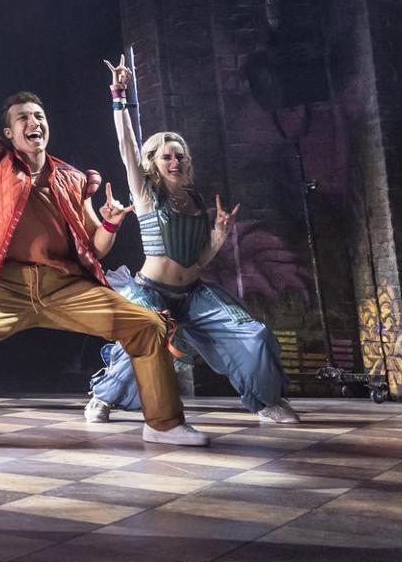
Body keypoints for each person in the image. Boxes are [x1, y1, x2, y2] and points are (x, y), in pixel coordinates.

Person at [0, 22, 207, 449]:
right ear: (10, 134)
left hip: (64, 287)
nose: (34, 122)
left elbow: (96, 248)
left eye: (39, 116)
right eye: (23, 119)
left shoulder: (71, 177)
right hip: (3, 287)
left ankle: (163, 424)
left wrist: (107, 222)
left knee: (146, 326)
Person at [85, 58, 298, 425]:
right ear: (153, 161)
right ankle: (103, 397)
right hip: (149, 291)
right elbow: (126, 148)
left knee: (253, 334)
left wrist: (219, 235)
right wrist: (119, 96)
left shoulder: (197, 200)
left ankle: (266, 401)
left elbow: (198, 261)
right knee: (148, 333)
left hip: (192, 294)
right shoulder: (146, 195)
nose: (174, 161)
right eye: (166, 156)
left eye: (179, 155)